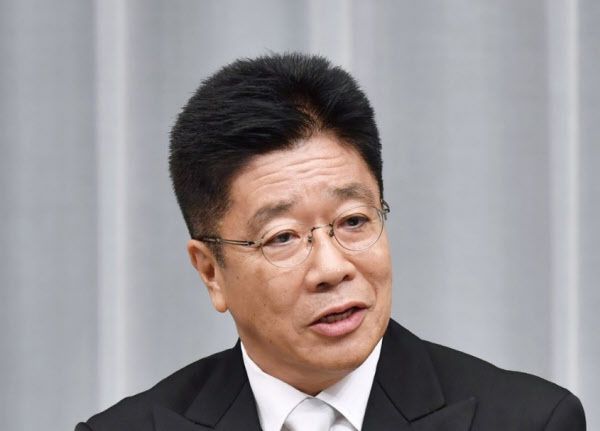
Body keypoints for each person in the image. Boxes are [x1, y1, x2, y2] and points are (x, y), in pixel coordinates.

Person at [76, 53, 586, 431]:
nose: (331, 268)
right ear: (211, 271)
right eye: (282, 237)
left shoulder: (529, 420)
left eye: (353, 221)